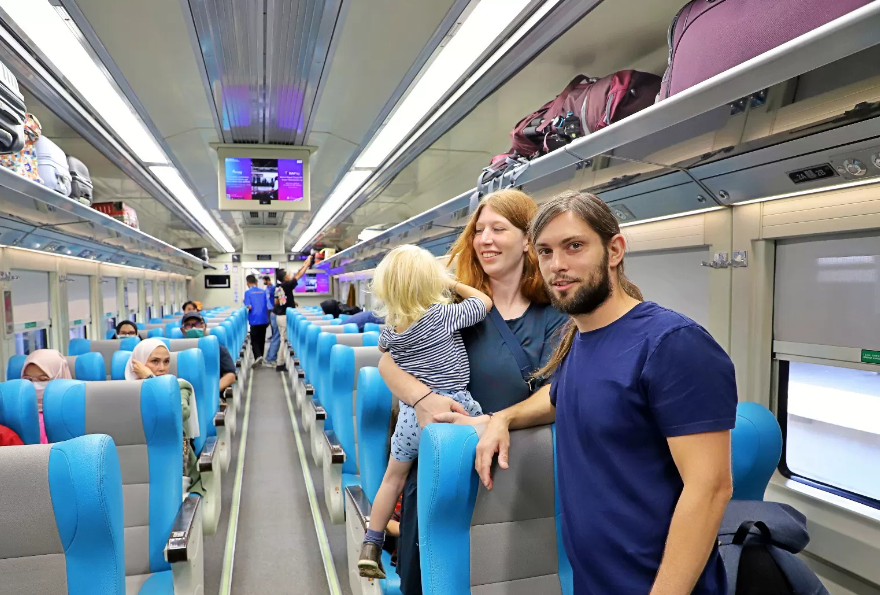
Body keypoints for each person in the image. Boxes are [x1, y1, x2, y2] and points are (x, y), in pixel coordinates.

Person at [460, 191, 737, 595]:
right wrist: (503, 417)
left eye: (574, 246)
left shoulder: (673, 343)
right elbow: (562, 396)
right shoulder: (578, 339)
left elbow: (710, 488)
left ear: (614, 250)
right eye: (546, 251)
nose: (558, 264)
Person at [376, 189, 567, 594]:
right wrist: (423, 398)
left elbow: (556, 393)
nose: (485, 239)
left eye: (499, 229)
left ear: (528, 240)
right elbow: (387, 362)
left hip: (517, 471)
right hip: (441, 470)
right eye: (479, 230)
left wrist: (499, 420)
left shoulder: (553, 314)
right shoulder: (448, 303)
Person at [357, 244, 492, 579]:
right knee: (487, 436)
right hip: (455, 407)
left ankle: (371, 542)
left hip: (410, 418)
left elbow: (383, 351)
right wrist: (453, 283)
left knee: (393, 478)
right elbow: (484, 303)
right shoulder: (444, 316)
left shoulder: (391, 332)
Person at [125, 338, 205, 495]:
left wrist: (151, 380)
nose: (162, 368)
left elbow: (179, 413)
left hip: (174, 464)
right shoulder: (124, 392)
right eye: (155, 361)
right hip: (134, 463)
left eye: (166, 361)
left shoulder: (179, 386)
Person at [22, 349, 73, 444]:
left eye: (43, 379)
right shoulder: (18, 414)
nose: (35, 385)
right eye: (28, 379)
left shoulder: (74, 413)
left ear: (59, 377)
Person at [180, 312, 238, 394]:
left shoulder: (216, 348)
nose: (193, 328)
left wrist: (211, 393)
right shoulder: (178, 351)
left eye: (197, 324)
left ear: (204, 327)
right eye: (188, 325)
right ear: (183, 330)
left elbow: (230, 375)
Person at [273, 256, 314, 369]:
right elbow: (299, 275)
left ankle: (281, 362)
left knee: (283, 339)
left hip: (280, 316)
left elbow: (276, 301)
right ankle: (280, 363)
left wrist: (291, 301)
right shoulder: (286, 285)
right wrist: (307, 264)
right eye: (288, 275)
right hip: (284, 317)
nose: (290, 276)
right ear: (285, 278)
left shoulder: (280, 287)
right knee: (284, 339)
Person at [244, 274, 270, 365]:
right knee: (262, 339)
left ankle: (258, 356)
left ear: (247, 283)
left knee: (254, 339)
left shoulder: (248, 293)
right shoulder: (263, 292)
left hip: (254, 319)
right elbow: (268, 305)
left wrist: (245, 304)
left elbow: (249, 306)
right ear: (256, 282)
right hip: (264, 318)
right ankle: (261, 357)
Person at [264, 274, 281, 367]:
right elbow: (278, 301)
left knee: (276, 336)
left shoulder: (275, 287)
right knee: (276, 336)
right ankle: (271, 358)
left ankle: (270, 357)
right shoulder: (279, 288)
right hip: (276, 312)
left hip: (273, 311)